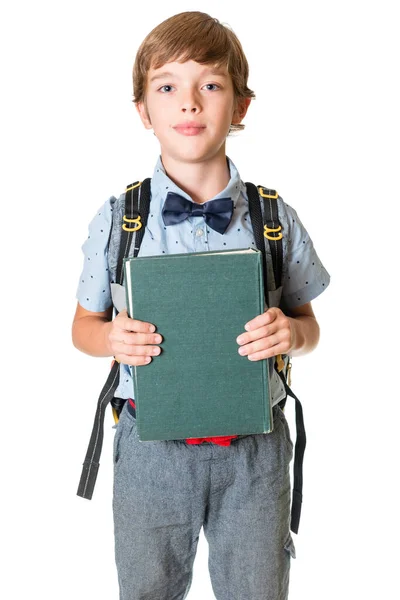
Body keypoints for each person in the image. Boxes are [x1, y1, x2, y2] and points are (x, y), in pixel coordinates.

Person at [72, 11, 330, 600]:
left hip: (256, 452)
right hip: (149, 449)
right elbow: (83, 327)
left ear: (240, 106)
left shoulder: (274, 218)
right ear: (143, 110)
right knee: (145, 591)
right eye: (167, 87)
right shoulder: (118, 219)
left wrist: (292, 333)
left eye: (210, 85)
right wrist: (111, 338)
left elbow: (309, 325)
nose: (189, 103)